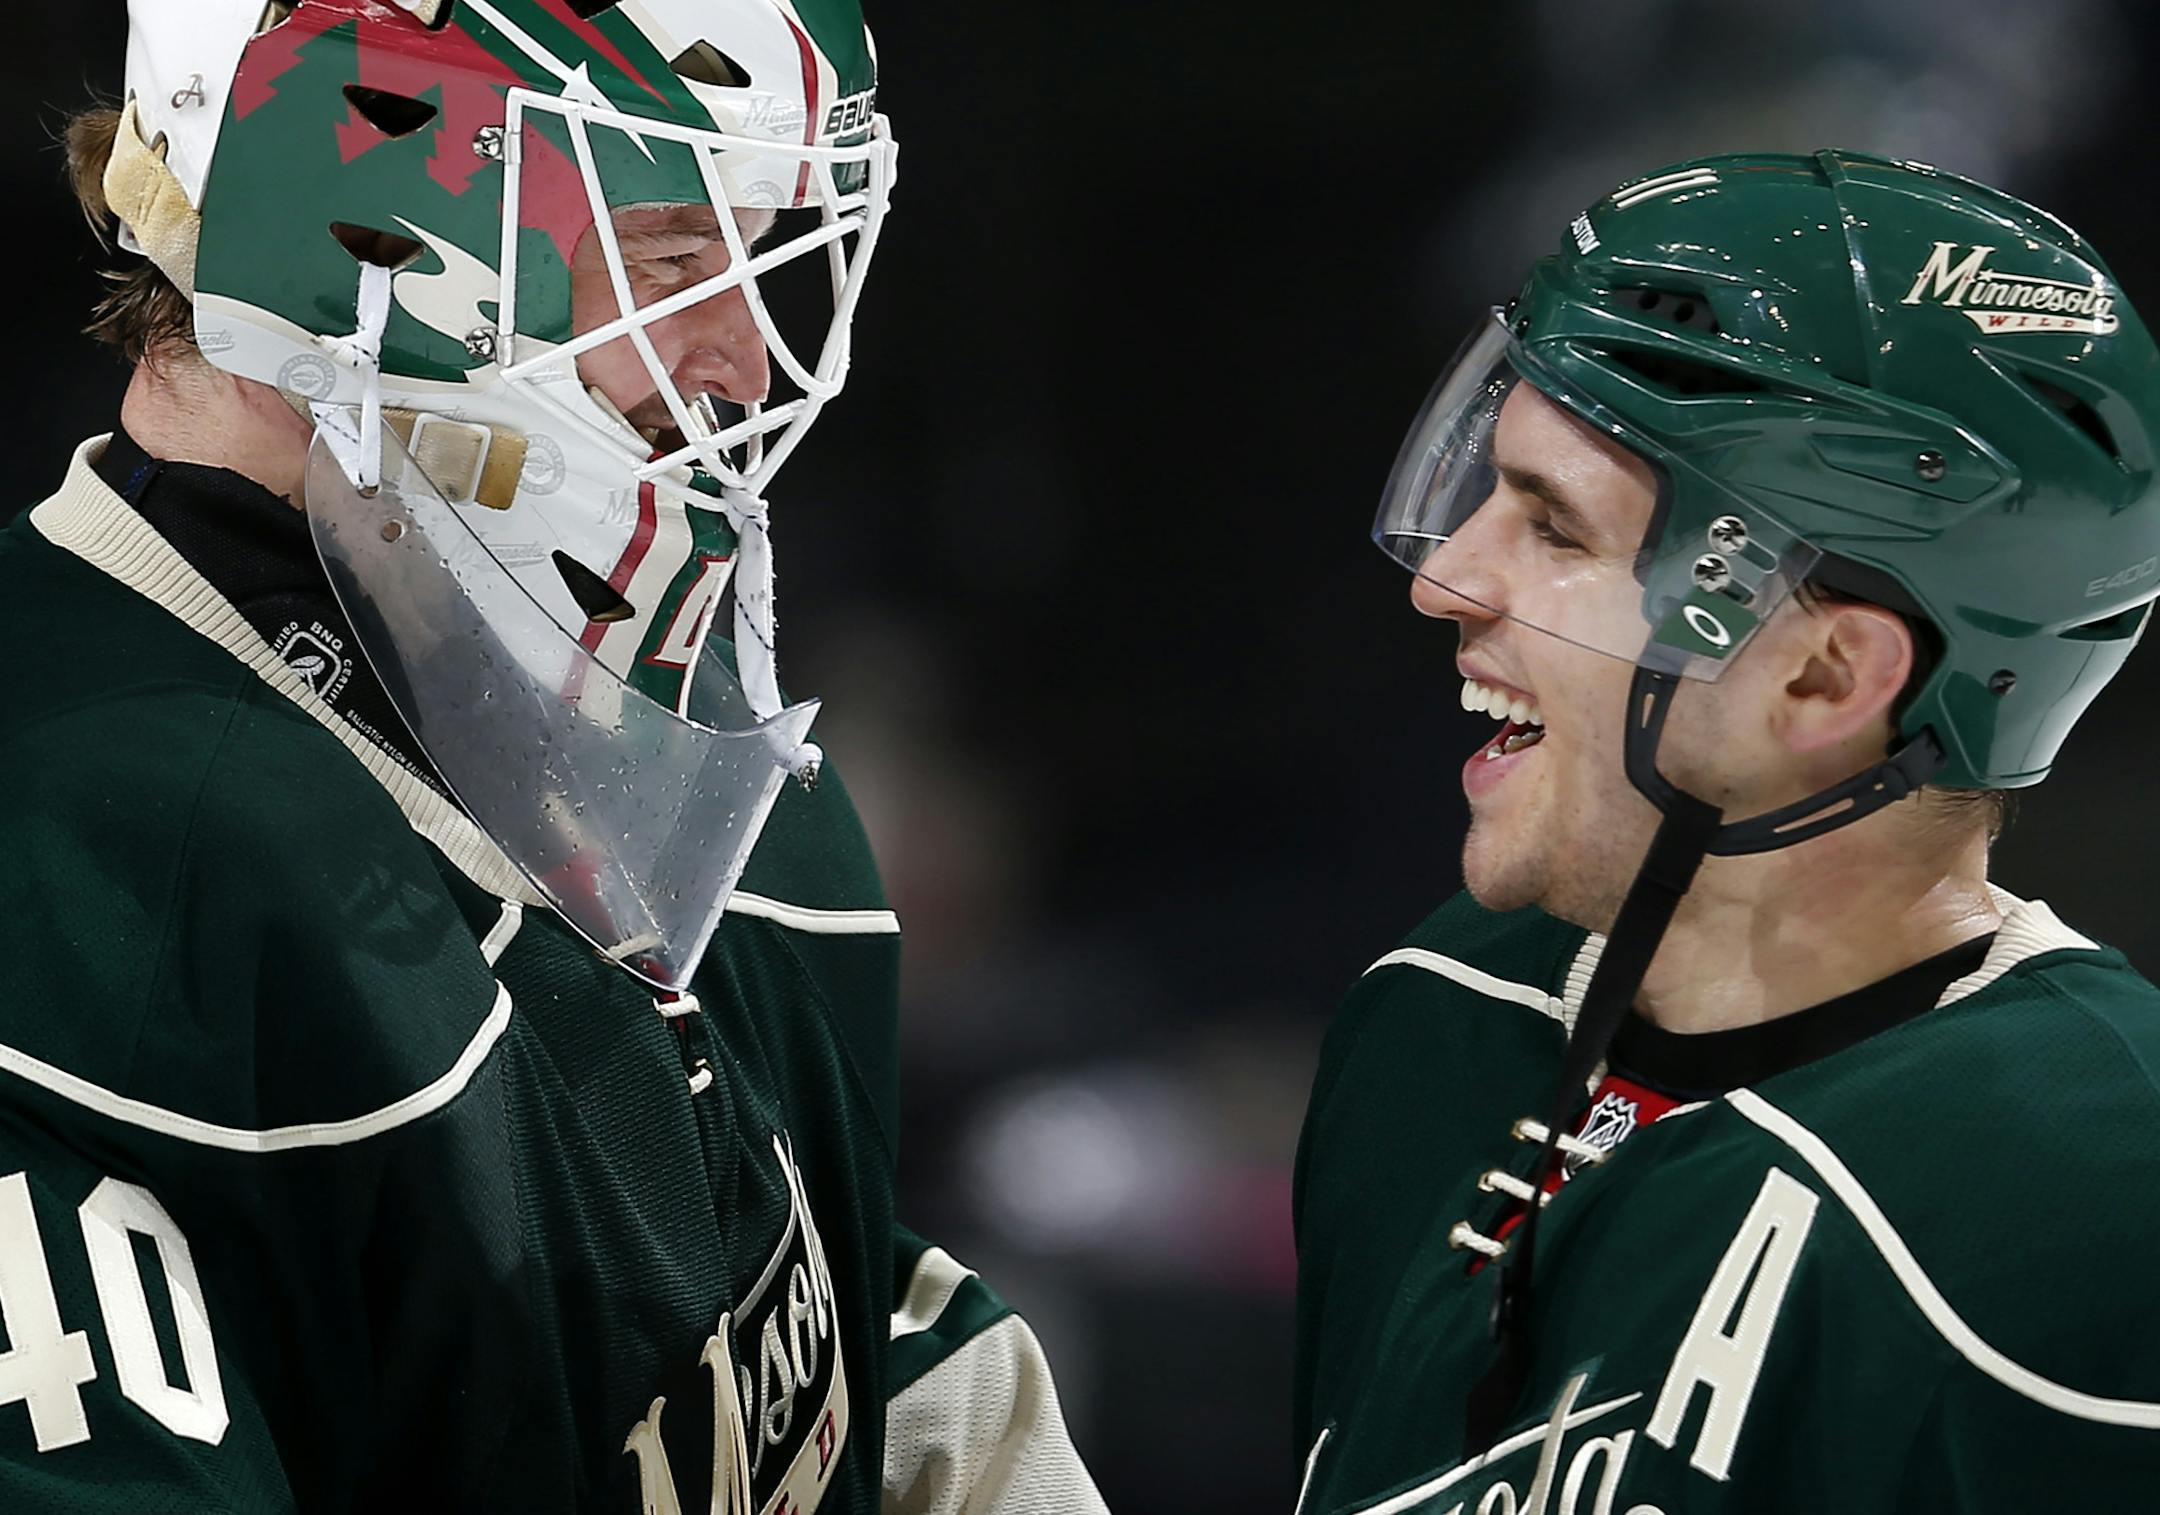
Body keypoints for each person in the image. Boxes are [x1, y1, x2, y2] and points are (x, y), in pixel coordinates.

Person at [0, 1, 1106, 1509]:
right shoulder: (66, 869)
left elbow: (831, 1334)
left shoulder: (727, 787)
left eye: (772, 253)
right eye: (669, 256)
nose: (745, 360)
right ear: (361, 226)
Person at [1293, 149, 2160, 1513]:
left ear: (1825, 677)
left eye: (1557, 530)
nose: (1448, 580)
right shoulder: (1444, 1014)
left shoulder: (2096, 1200)